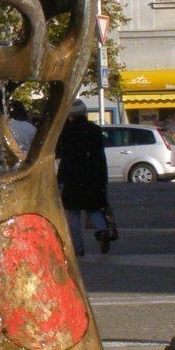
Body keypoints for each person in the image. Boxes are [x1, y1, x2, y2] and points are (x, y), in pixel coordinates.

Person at [55, 99, 110, 256]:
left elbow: (64, 156)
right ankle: (102, 229)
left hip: (72, 176)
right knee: (93, 208)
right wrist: (102, 177)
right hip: (93, 174)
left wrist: (60, 180)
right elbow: (100, 155)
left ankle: (78, 248)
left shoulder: (66, 132)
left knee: (73, 212)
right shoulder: (95, 130)